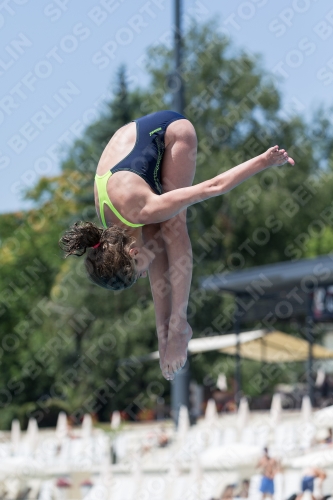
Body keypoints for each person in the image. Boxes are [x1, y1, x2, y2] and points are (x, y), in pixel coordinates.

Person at [59, 110, 295, 381]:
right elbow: (151, 256)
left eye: (138, 272)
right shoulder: (115, 227)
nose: (143, 275)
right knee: (155, 235)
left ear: (132, 253)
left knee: (173, 226)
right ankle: (165, 333)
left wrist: (264, 161)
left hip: (172, 132)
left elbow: (214, 187)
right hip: (136, 151)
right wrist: (164, 339)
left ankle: (180, 324)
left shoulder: (142, 207)